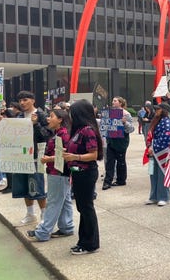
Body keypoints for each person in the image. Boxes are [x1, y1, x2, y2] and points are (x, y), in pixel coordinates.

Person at [27, 109, 75, 241]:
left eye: (51, 116)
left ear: (60, 119)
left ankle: (43, 232)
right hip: (58, 173)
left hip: (58, 172)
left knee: (53, 202)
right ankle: (67, 227)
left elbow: (64, 155)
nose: (48, 119)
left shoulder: (63, 135)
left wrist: (48, 159)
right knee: (64, 201)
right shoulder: (58, 133)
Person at [63, 99, 103, 254]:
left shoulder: (87, 130)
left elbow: (93, 155)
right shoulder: (78, 130)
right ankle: (83, 240)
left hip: (86, 172)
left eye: (72, 112)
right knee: (82, 208)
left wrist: (74, 156)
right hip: (78, 172)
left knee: (86, 208)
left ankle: (90, 243)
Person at [13, 91, 52, 225]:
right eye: (20, 101)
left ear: (33, 100)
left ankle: (44, 214)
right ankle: (30, 214)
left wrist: (36, 124)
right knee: (24, 185)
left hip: (37, 156)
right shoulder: (19, 116)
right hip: (21, 155)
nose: (22, 103)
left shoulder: (42, 115)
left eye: (25, 100)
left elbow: (47, 135)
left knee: (37, 185)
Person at [103, 96, 134, 190]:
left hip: (121, 142)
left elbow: (131, 129)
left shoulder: (126, 114)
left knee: (121, 162)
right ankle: (107, 182)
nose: (113, 102)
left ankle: (121, 180)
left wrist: (125, 123)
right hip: (111, 141)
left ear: (120, 103)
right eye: (112, 100)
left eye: (115, 101)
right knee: (109, 162)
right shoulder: (110, 113)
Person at [145, 103, 170, 206]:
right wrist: (149, 146)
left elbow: (167, 138)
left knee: (162, 175)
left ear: (163, 111)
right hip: (152, 151)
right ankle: (153, 196)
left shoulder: (167, 122)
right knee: (152, 174)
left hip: (162, 152)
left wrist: (153, 146)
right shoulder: (155, 121)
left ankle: (164, 197)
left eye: (158, 109)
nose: (156, 111)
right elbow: (149, 134)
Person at [0, 108, 20, 194]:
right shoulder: (3, 123)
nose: (2, 117)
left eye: (4, 115)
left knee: (10, 169)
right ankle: (9, 185)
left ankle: (11, 186)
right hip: (5, 148)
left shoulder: (12, 124)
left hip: (11, 149)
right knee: (7, 168)